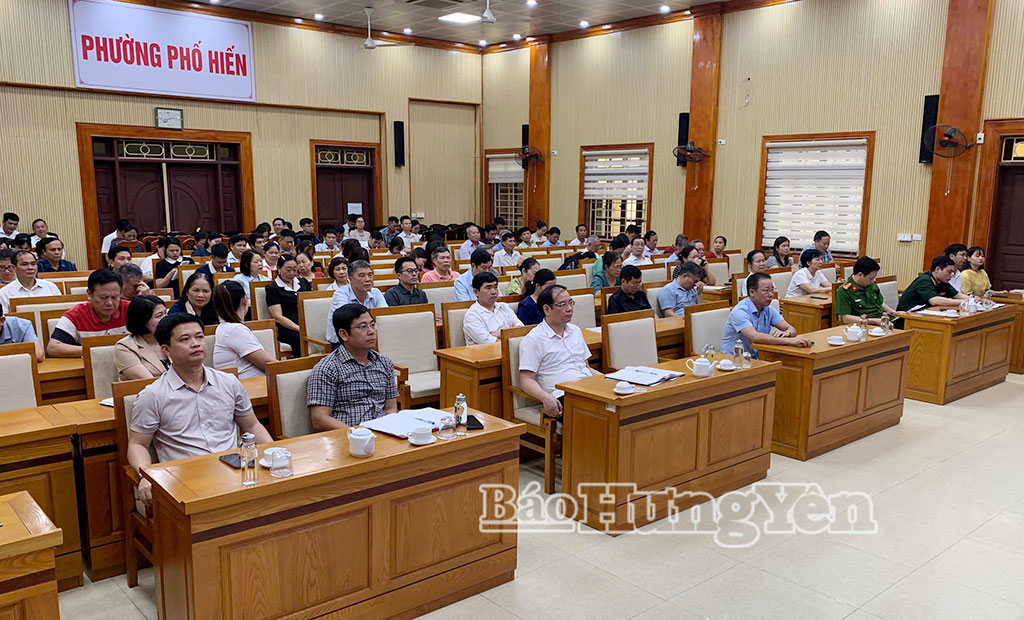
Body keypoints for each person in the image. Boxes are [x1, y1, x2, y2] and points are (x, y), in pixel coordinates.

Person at [128, 313, 273, 504]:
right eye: (185, 339)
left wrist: (272, 454)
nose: (195, 344)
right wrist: (145, 476)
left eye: (199, 337)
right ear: (166, 349)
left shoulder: (228, 382)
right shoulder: (153, 395)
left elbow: (252, 425)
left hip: (234, 473)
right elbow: (137, 444)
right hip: (184, 481)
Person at [308, 303, 399, 430]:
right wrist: (356, 434)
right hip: (347, 435)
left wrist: (390, 428)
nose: (371, 332)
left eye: (372, 325)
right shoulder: (327, 369)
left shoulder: (384, 362)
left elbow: (391, 408)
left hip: (383, 431)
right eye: (363, 327)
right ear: (344, 334)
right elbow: (319, 419)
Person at [519, 285, 602, 419]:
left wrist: (608, 381)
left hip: (589, 387)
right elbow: (526, 380)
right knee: (601, 416)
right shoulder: (533, 339)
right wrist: (546, 398)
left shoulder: (575, 330)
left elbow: (586, 367)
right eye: (562, 305)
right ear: (547, 309)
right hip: (563, 395)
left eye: (571, 303)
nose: (569, 309)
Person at [722, 272, 811, 358]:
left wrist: (787, 333)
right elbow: (754, 337)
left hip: (758, 357)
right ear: (752, 292)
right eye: (766, 290)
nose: (771, 294)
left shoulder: (767, 309)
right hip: (734, 360)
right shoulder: (740, 311)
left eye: (772, 290)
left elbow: (791, 329)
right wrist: (790, 341)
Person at [47, 269, 130, 357]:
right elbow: (52, 348)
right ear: (90, 294)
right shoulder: (76, 315)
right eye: (103, 297)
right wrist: (95, 350)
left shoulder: (130, 309)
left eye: (115, 297)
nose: (109, 303)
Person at [212, 281, 275, 378]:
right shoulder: (234, 330)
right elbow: (269, 364)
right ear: (244, 300)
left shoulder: (226, 327)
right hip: (247, 384)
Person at [325, 259, 387, 346]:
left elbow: (384, 317)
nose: (368, 279)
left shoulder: (376, 292)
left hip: (371, 340)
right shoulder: (340, 294)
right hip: (343, 343)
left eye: (370, 275)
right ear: (350, 279)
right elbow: (349, 322)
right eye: (362, 276)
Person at [114, 295, 169, 380]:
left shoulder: (172, 339)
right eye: (159, 316)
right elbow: (149, 382)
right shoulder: (125, 347)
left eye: (166, 313)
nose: (166, 319)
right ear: (143, 320)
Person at [266, 254, 313, 353]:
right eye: (288, 270)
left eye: (295, 269)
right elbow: (278, 317)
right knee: (299, 339)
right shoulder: (273, 289)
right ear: (279, 269)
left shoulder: (303, 282)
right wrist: (299, 328)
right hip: (287, 327)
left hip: (307, 322)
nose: (292, 273)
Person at [835, 257, 898, 326]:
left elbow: (880, 303)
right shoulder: (844, 291)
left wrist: (891, 311)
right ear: (860, 275)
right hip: (866, 325)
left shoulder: (871, 284)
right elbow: (846, 318)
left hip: (882, 320)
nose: (872, 281)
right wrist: (872, 321)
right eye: (870, 278)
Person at [463, 272, 523, 345]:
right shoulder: (472, 315)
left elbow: (521, 329)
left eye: (495, 287)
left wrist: (498, 334)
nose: (494, 292)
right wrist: (510, 334)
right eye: (488, 288)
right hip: (486, 351)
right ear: (476, 292)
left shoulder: (504, 307)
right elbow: (490, 342)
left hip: (511, 349)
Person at [897, 256, 968, 311]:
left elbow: (956, 295)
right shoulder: (924, 280)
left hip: (925, 312)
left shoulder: (942, 281)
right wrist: (963, 302)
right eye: (949, 272)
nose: (952, 275)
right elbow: (934, 300)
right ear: (937, 269)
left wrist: (971, 299)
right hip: (907, 316)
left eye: (953, 272)